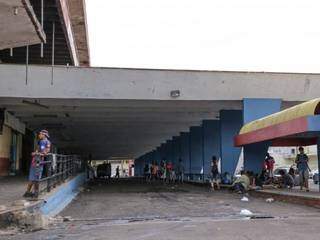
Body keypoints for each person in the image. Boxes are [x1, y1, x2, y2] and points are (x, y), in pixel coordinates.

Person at [23, 130, 51, 198]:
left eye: (40, 134)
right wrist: (35, 152)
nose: (39, 135)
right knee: (33, 177)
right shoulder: (40, 141)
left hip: (39, 161)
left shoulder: (47, 142)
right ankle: (29, 192)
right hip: (35, 161)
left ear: (44, 135)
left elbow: (46, 151)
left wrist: (36, 153)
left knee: (36, 178)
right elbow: (38, 150)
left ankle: (34, 193)